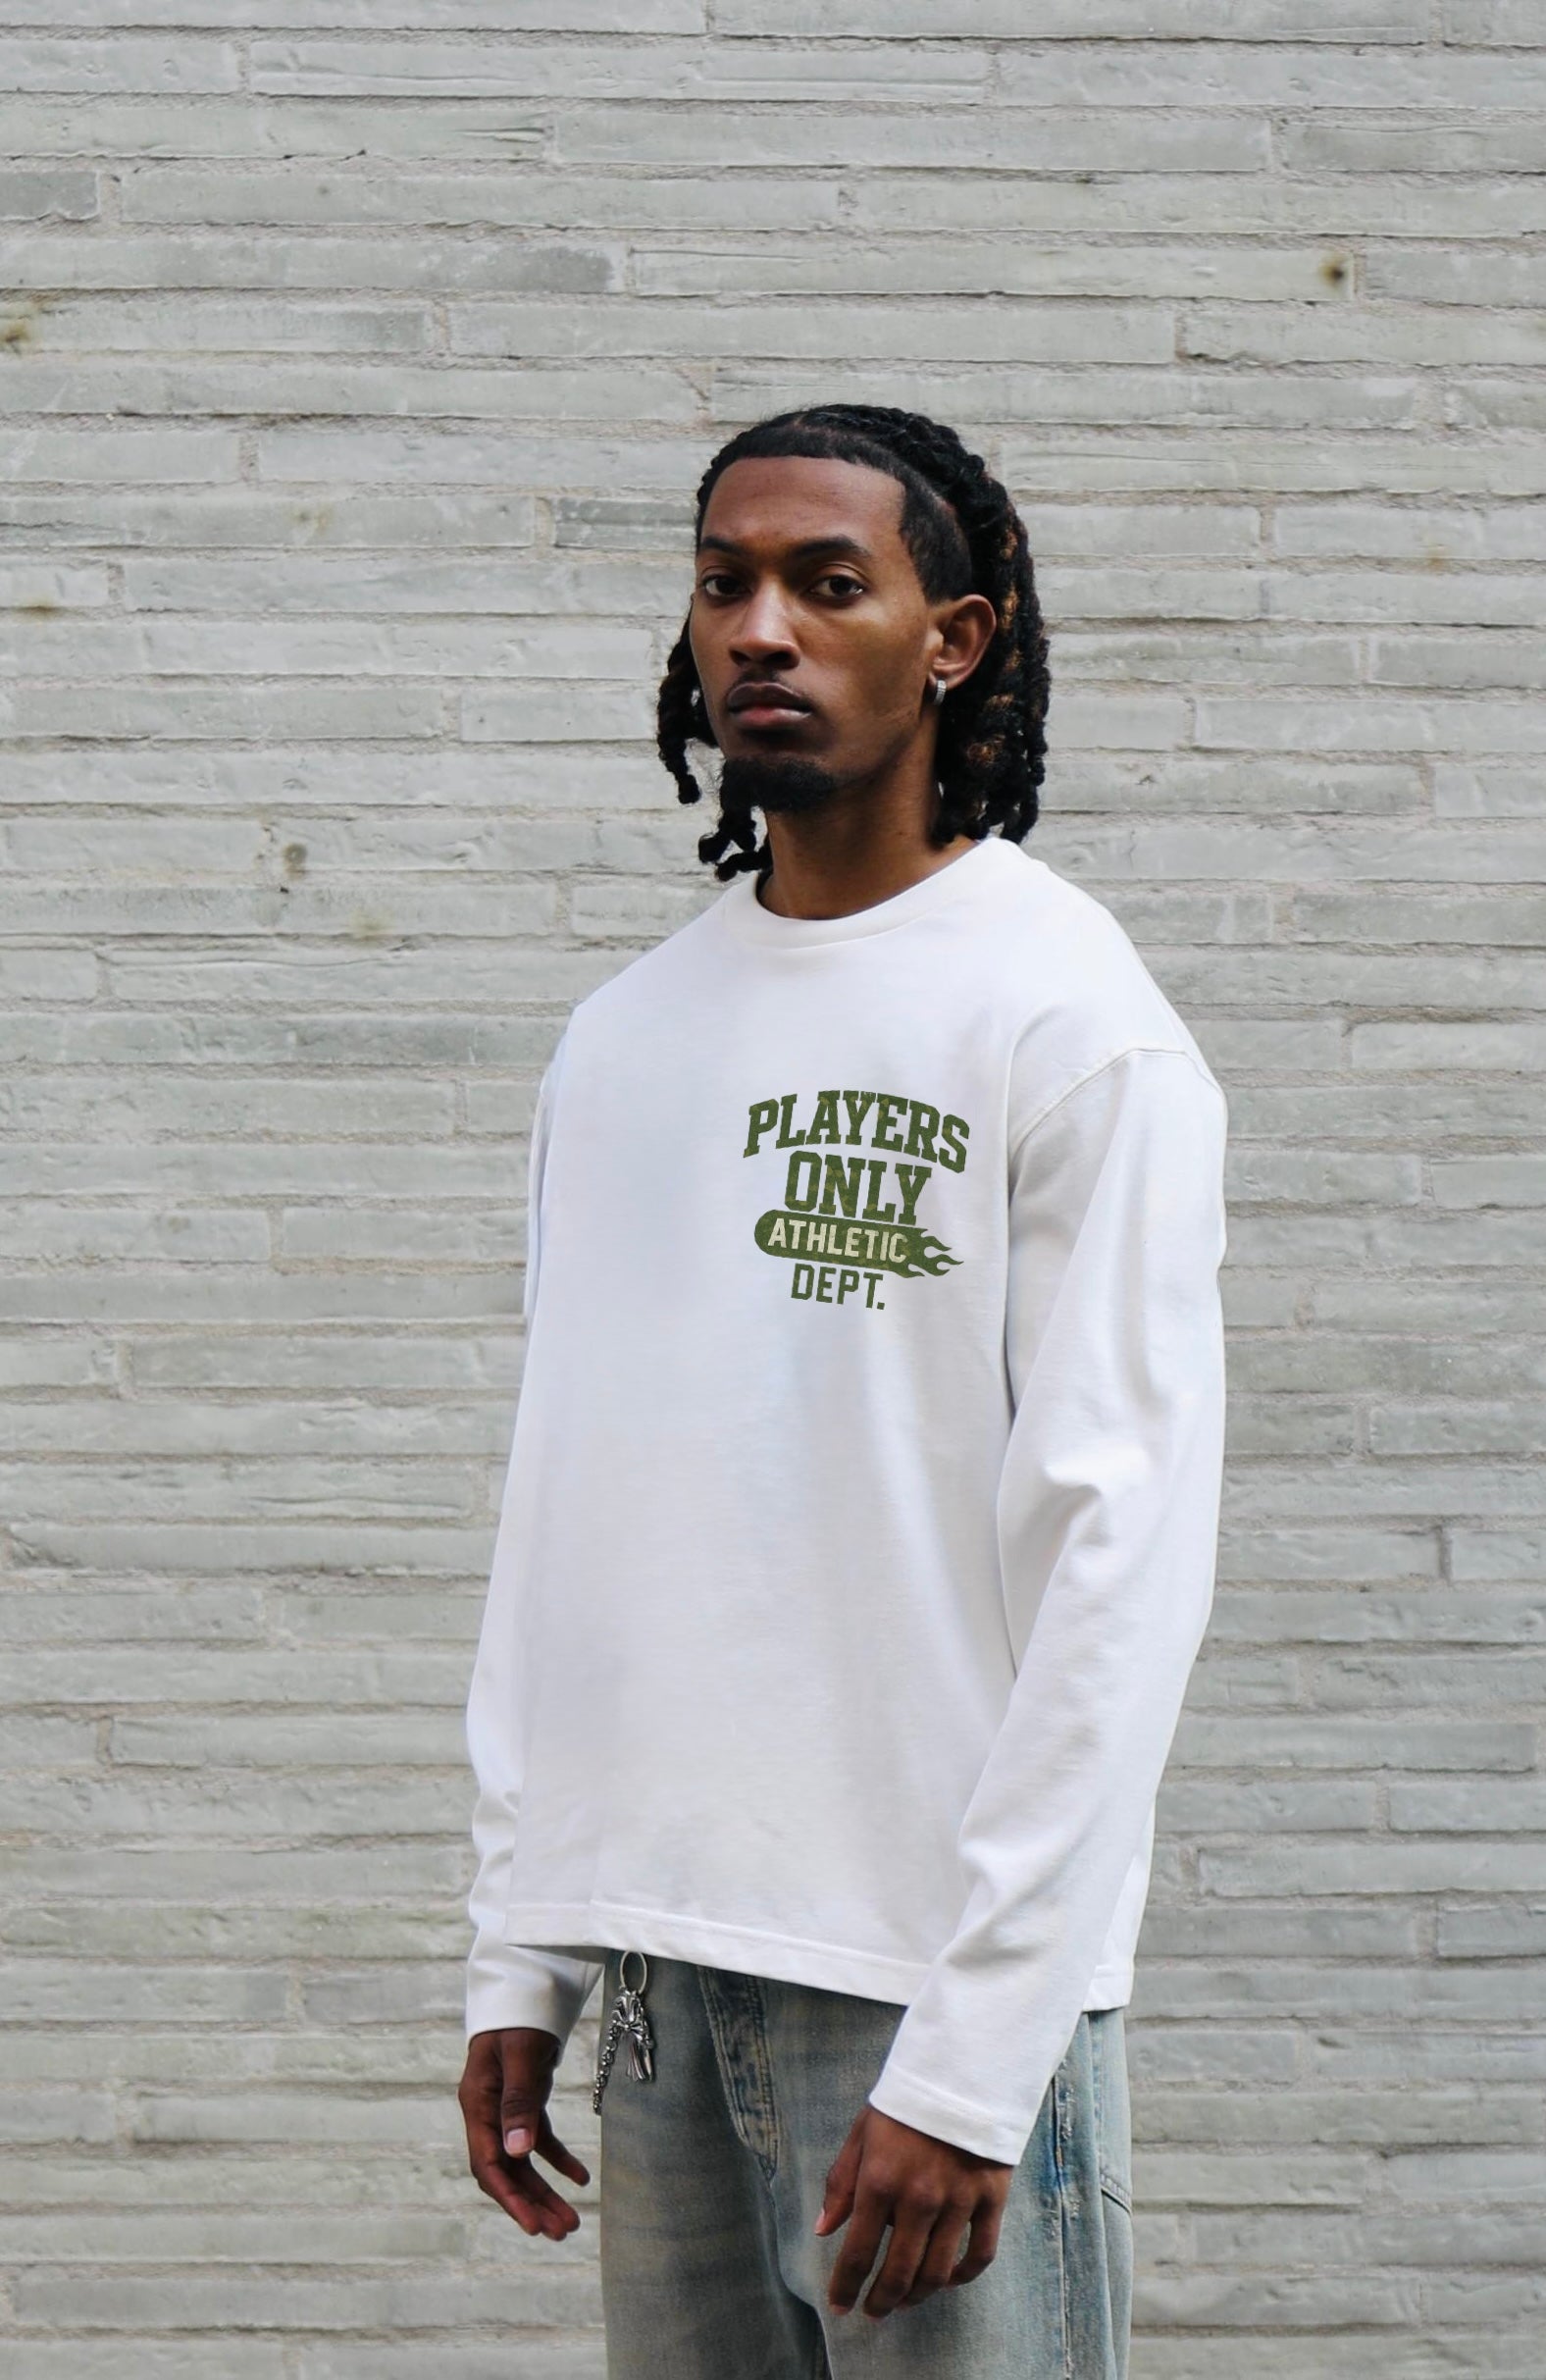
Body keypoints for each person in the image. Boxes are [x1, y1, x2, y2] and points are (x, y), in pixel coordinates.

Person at [456, 403, 1229, 2378]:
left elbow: (1119, 1560)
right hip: (659, 1971)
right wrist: (522, 1944)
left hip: (922, 1996)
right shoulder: (626, 1037)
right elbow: (569, 1508)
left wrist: (977, 2056)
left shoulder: (1063, 1017)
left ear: (951, 638)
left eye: (827, 583)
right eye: (724, 583)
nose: (760, 630)